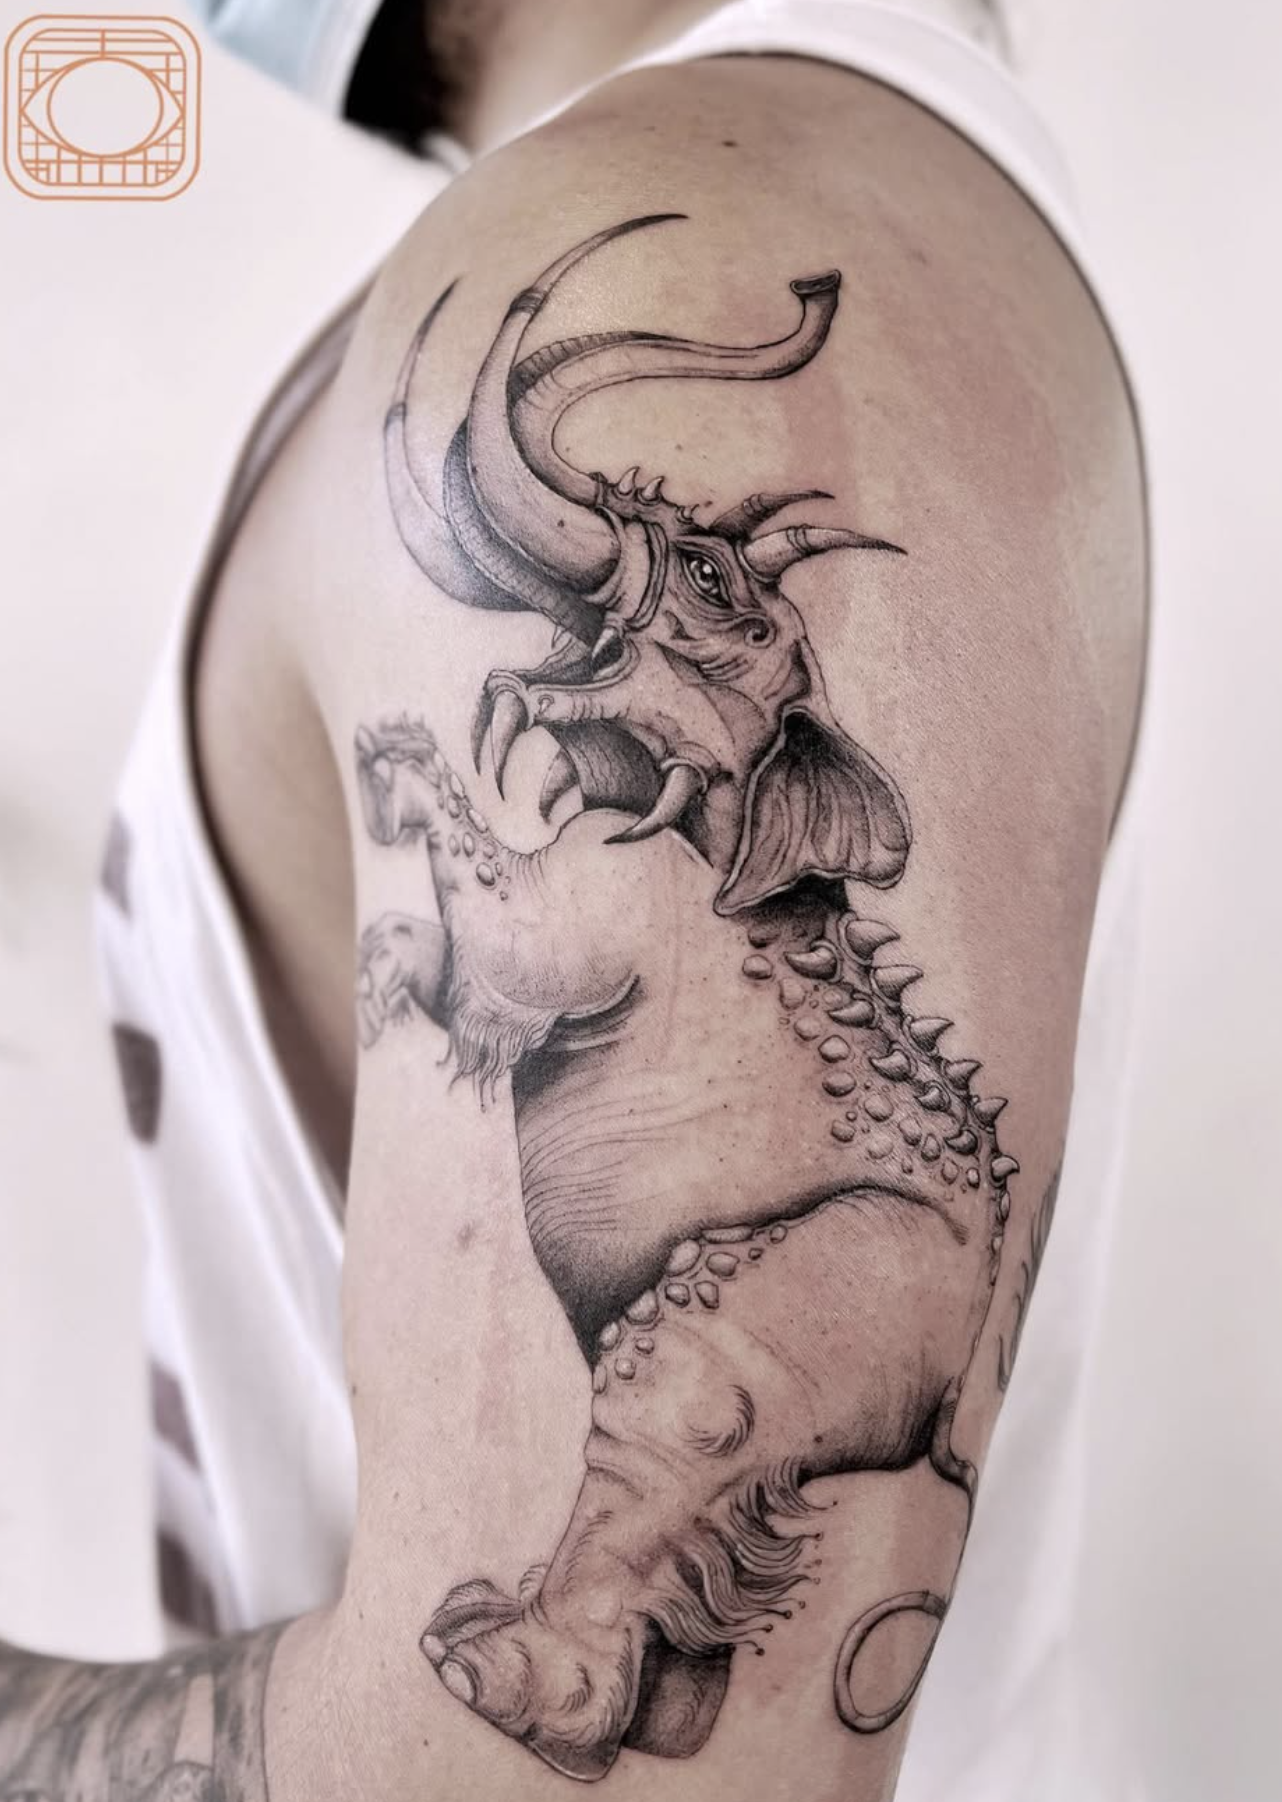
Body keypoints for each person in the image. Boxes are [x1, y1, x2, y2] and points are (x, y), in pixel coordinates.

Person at [0, 2, 1148, 1797]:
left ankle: (593, 1631)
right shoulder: (701, 212)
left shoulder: (723, 241)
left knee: (692, 1371)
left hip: (859, 1253)